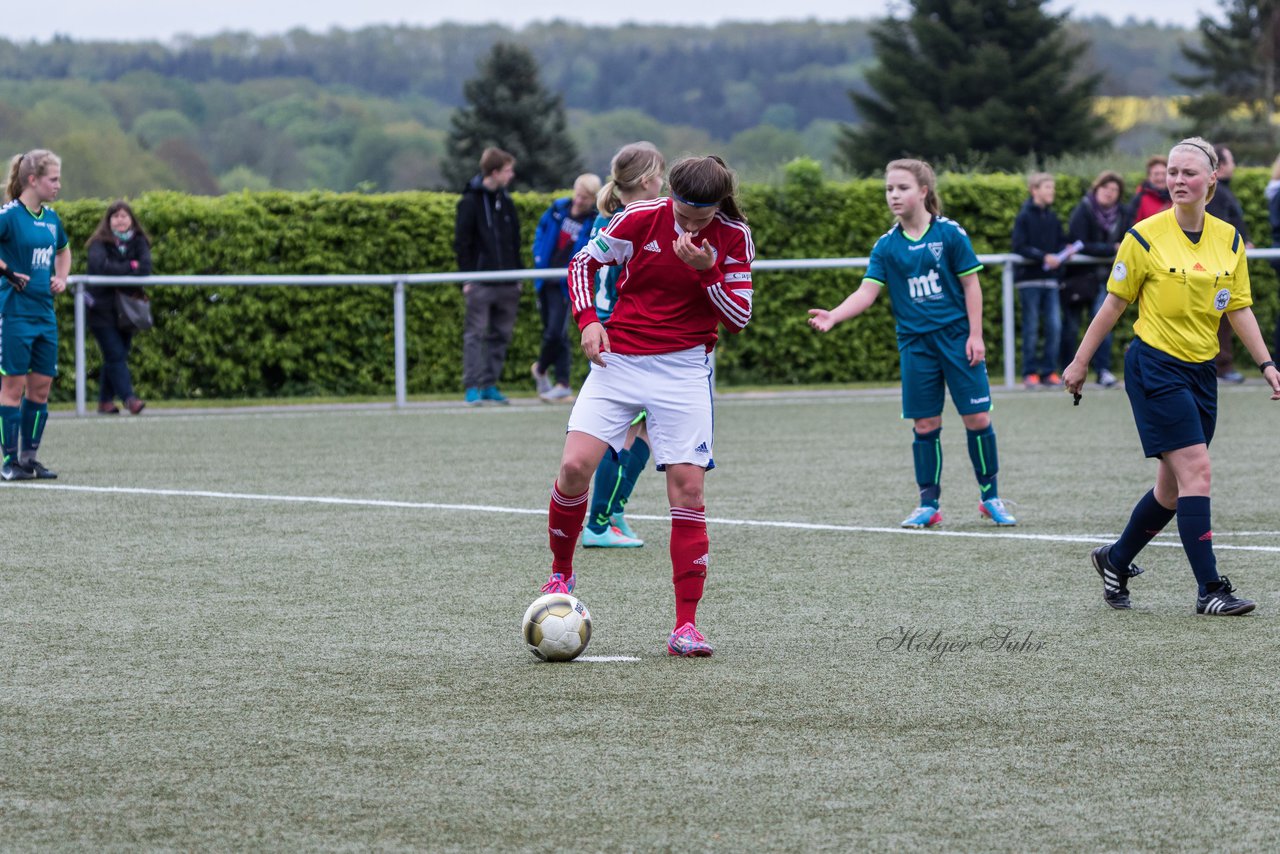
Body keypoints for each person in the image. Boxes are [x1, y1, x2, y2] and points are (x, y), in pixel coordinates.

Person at [539, 155, 754, 657]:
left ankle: (686, 626)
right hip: (621, 362)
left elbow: (739, 316)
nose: (692, 224)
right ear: (670, 194)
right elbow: (581, 265)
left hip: (683, 372)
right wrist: (589, 319)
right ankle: (560, 575)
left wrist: (708, 272)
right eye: (684, 212)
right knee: (574, 467)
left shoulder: (732, 236)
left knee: (689, 491)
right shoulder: (638, 217)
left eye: (704, 216)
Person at [1063, 137, 1280, 617]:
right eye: (1173, 173)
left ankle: (1115, 559)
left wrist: (1267, 365)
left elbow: (1239, 307)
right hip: (1155, 366)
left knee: (1172, 487)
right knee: (1197, 471)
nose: (1178, 180)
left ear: (1211, 181)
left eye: (1189, 173)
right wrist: (1080, 362)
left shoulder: (1229, 238)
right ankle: (1210, 590)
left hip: (1202, 371)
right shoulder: (1143, 236)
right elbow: (1114, 304)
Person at [808, 158, 1017, 529]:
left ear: (923, 191)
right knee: (925, 424)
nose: (894, 195)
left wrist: (975, 334)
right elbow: (867, 292)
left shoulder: (950, 234)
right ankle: (928, 504)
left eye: (902, 188)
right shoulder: (887, 246)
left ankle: (990, 497)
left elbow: (972, 285)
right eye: (889, 189)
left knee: (978, 418)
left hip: (957, 341)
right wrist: (835, 315)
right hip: (916, 346)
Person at [581, 142, 666, 549]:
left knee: (644, 430)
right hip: (626, 339)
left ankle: (614, 512)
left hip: (615, 335)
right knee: (627, 435)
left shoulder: (606, 220)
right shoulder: (634, 223)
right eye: (661, 175)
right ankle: (599, 522)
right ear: (649, 179)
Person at [0, 149, 70, 481]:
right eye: (52, 179)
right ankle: (9, 462)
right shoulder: (9, 215)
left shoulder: (52, 218)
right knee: (12, 388)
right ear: (32, 180)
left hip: (45, 316)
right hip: (13, 315)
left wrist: (62, 277)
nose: (58, 185)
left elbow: (63, 250)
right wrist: (8, 271)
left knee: (40, 389)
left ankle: (29, 459)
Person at [454, 147, 521, 406]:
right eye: (507, 170)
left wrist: (517, 276)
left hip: (507, 284)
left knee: (500, 335)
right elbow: (462, 243)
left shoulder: (506, 201)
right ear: (494, 172)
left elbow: (514, 241)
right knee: (475, 335)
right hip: (480, 282)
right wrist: (467, 279)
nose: (511, 175)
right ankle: (472, 387)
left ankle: (489, 384)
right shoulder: (469, 202)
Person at [531, 173, 601, 403]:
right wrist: (539, 257)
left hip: (566, 283)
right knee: (555, 333)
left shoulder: (592, 221)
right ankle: (562, 382)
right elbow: (540, 233)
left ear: (593, 199)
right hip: (546, 278)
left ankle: (542, 370)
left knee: (556, 331)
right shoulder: (558, 208)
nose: (579, 201)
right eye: (578, 195)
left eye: (585, 198)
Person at [86, 200, 152, 415]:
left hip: (128, 311)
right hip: (100, 309)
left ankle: (105, 402)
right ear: (109, 220)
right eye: (116, 216)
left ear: (131, 219)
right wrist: (129, 267)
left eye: (124, 216)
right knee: (115, 354)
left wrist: (119, 270)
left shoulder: (140, 241)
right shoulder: (98, 242)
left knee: (117, 356)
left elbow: (144, 268)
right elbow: (99, 268)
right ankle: (129, 398)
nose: (120, 220)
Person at [1059, 171, 1124, 388]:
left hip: (1106, 278)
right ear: (1097, 189)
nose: (1110, 193)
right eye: (1106, 188)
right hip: (1079, 278)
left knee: (1103, 323)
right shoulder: (1083, 210)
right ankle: (1068, 370)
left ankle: (1103, 370)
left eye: (1114, 190)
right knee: (1072, 326)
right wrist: (1110, 249)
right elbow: (1079, 242)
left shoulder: (1122, 214)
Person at [1012, 172, 1067, 389]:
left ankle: (1049, 372)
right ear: (1034, 190)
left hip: (1051, 282)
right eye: (1047, 187)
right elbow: (1019, 246)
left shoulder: (1053, 217)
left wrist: (1065, 251)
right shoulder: (1024, 216)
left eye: (1052, 188)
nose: (1051, 192)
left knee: (1055, 326)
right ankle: (1029, 373)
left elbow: (1062, 242)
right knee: (1031, 328)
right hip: (1029, 282)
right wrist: (1043, 257)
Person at [1206, 144, 1252, 384]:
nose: (1234, 166)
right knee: (1222, 316)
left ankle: (1221, 365)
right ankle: (1221, 365)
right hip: (1217, 270)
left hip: (1224, 266)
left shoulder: (1224, 192)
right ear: (1221, 166)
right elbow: (1219, 230)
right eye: (1231, 161)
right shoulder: (1216, 194)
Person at [1112, 155, 1171, 241]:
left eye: (1164, 174)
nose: (1160, 178)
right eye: (1156, 174)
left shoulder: (1176, 198)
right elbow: (1132, 228)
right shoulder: (1139, 199)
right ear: (1149, 176)